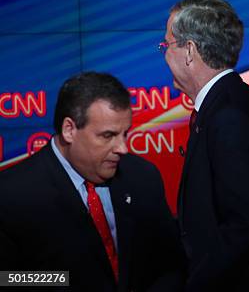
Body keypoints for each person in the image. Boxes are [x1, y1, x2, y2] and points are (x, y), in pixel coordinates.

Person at [0, 72, 185, 291]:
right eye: (108, 136)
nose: (122, 148)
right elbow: (8, 278)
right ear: (69, 130)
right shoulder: (12, 194)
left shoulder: (142, 177)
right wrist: (64, 280)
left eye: (124, 134)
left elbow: (172, 265)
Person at [162, 0, 249, 291]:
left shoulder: (230, 116)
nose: (164, 55)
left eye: (166, 45)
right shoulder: (230, 104)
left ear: (189, 50)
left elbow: (244, 227)